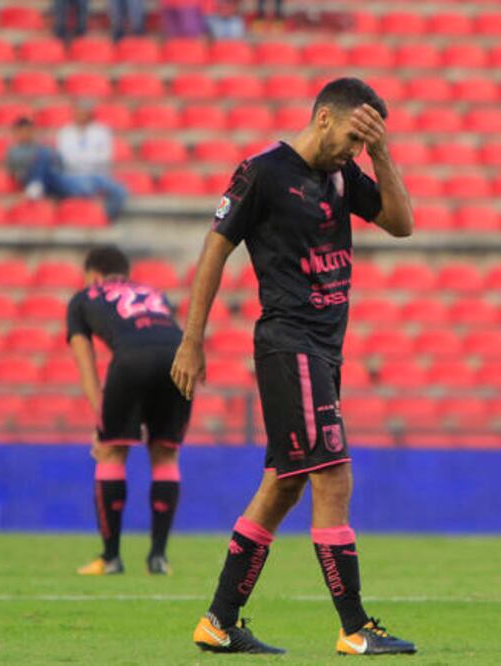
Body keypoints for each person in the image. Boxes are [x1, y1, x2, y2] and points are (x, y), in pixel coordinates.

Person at [170, 78, 416, 655]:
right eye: (355, 137)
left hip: (325, 351)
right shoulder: (262, 171)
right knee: (334, 476)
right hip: (290, 343)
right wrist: (193, 339)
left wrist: (380, 153)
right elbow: (215, 247)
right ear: (324, 118)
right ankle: (355, 627)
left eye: (366, 143)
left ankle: (219, 621)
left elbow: (403, 223)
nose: (354, 152)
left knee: (283, 487)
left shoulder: (343, 173)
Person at [67, 246, 190, 576]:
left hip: (132, 359)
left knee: (112, 453)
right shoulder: (153, 292)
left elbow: (85, 360)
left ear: (93, 274)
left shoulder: (83, 296)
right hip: (179, 357)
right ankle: (158, 558)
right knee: (165, 455)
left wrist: (100, 418)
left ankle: (110, 558)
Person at [8, 117, 124, 221]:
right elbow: (19, 173)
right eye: (22, 131)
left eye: (28, 130)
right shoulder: (15, 152)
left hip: (53, 179)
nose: (26, 134)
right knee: (45, 155)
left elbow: (59, 162)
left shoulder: (41, 147)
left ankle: (106, 211)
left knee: (101, 181)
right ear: (16, 133)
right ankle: (35, 187)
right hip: (37, 181)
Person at [56, 102, 128, 219]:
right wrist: (91, 157)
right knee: (84, 189)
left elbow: (105, 158)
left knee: (120, 191)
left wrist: (80, 158)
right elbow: (65, 159)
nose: (81, 116)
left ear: (90, 114)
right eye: (78, 113)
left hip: (98, 175)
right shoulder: (65, 133)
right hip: (73, 176)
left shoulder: (102, 131)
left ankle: (106, 219)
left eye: (84, 113)